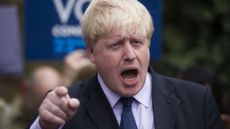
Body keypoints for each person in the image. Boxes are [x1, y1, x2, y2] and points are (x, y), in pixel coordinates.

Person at [27, 0, 224, 129]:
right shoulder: (64, 109)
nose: (130, 54)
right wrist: (43, 126)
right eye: (116, 44)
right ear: (91, 52)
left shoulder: (197, 101)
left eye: (137, 42)